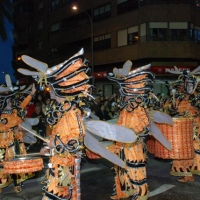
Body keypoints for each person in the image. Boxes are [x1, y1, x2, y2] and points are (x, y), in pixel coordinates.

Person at [18, 49, 93, 200]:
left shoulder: (72, 112)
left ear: (60, 90)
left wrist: (54, 144)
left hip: (65, 164)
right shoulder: (62, 110)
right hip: (58, 162)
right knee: (58, 194)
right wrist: (48, 147)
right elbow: (58, 135)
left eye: (51, 88)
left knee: (58, 194)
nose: (50, 92)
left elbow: (76, 140)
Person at [107, 61, 155, 200]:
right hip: (122, 144)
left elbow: (145, 122)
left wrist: (133, 132)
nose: (123, 95)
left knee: (135, 168)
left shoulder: (139, 106)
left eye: (125, 91)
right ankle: (123, 191)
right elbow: (120, 122)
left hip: (134, 144)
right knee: (121, 167)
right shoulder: (125, 107)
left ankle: (141, 193)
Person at [0, 75, 36, 193]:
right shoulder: (3, 117)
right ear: (4, 102)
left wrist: (31, 94)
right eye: (9, 100)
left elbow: (23, 104)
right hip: (3, 144)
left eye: (11, 99)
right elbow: (10, 123)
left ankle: (18, 184)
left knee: (18, 162)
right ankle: (2, 184)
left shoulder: (15, 111)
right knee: (3, 164)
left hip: (16, 142)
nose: (11, 101)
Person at [164, 67, 200, 182]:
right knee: (184, 151)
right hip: (183, 129)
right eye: (187, 85)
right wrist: (172, 108)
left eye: (191, 85)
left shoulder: (198, 97)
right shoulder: (180, 98)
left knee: (196, 150)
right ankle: (187, 173)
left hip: (197, 129)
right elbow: (169, 110)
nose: (189, 87)